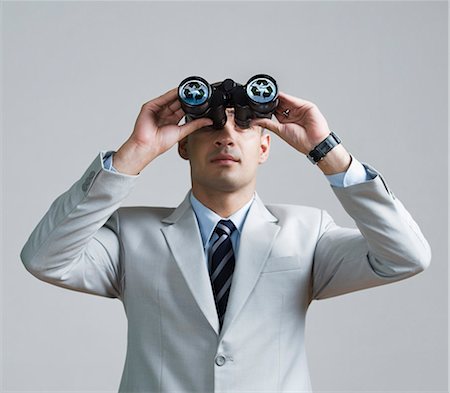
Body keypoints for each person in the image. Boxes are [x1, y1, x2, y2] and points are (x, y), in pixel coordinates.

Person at [21, 85, 431, 393]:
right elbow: (44, 258)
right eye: (212, 124)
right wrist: (134, 153)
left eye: (245, 125)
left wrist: (327, 151)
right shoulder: (131, 235)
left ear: (266, 146)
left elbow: (406, 256)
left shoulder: (307, 232)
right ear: (183, 146)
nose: (227, 136)